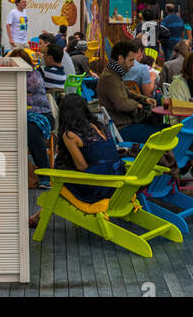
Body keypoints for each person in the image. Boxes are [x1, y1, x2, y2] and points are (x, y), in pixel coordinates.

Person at [53, 94, 126, 204]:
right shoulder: (99, 125)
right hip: (117, 179)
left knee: (61, 171)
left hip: (100, 187)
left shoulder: (70, 135)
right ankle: (37, 215)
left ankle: (39, 215)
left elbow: (82, 167)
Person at [97, 39, 164, 142]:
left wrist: (145, 99)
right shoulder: (109, 78)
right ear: (120, 59)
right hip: (121, 129)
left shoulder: (114, 74)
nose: (133, 64)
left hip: (126, 123)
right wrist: (138, 105)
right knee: (162, 133)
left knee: (164, 128)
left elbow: (127, 92)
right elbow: (121, 104)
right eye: (131, 60)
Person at [10, 46, 54, 187]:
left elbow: (21, 93)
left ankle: (45, 175)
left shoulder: (33, 76)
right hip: (23, 115)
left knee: (31, 131)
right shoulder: (14, 78)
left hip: (41, 115)